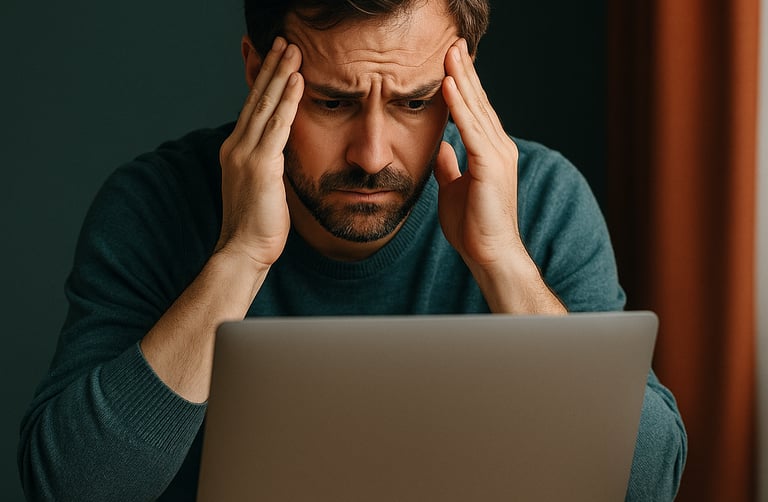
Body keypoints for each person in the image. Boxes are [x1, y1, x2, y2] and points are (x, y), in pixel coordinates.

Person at [18, 0, 687, 500]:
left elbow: (649, 483)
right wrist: (240, 257)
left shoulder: (539, 202)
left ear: (464, 84)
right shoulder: (154, 203)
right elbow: (71, 485)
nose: (372, 155)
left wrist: (501, 261)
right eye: (333, 102)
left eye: (416, 101)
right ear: (258, 73)